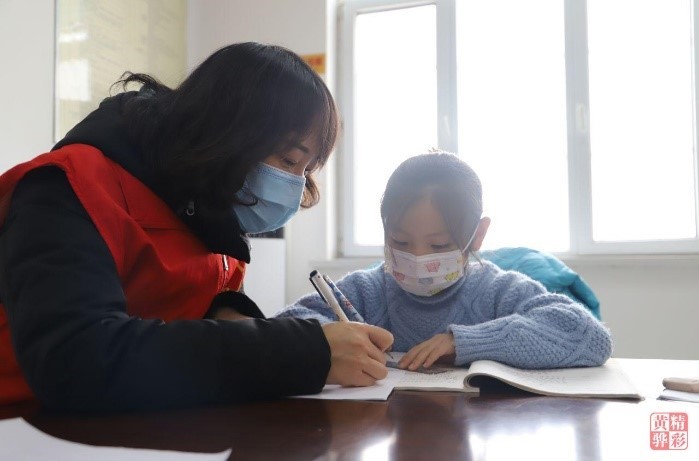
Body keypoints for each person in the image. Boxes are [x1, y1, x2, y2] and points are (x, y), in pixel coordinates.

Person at [0, 42, 393, 411]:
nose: (296, 184)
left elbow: (187, 314)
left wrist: (234, 319)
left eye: (307, 170)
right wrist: (301, 351)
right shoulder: (67, 186)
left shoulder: (207, 213)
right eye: (290, 160)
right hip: (28, 424)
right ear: (229, 129)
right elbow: (74, 359)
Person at [276, 151, 612, 371]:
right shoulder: (366, 292)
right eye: (400, 241)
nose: (418, 258)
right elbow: (281, 328)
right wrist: (331, 338)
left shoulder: (497, 291)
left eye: (439, 245)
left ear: (477, 236)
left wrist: (464, 342)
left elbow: (589, 337)